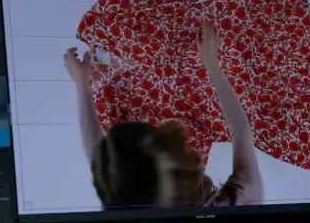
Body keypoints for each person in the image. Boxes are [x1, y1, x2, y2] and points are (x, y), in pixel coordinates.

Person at [64, 24, 263, 208]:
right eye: (185, 151)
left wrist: (82, 85)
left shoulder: (126, 202)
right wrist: (212, 63)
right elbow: (241, 130)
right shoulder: (240, 203)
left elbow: (98, 156)